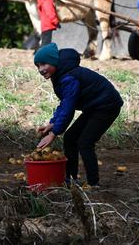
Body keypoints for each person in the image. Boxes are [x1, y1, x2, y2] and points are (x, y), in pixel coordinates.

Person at [33, 43, 124, 187]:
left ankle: (93, 184)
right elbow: (65, 102)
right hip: (94, 106)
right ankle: (70, 179)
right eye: (37, 66)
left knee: (85, 142)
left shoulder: (68, 77)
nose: (41, 69)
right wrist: (53, 123)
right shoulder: (59, 74)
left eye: (44, 64)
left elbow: (69, 108)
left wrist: (54, 133)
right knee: (70, 138)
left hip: (106, 106)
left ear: (54, 61)